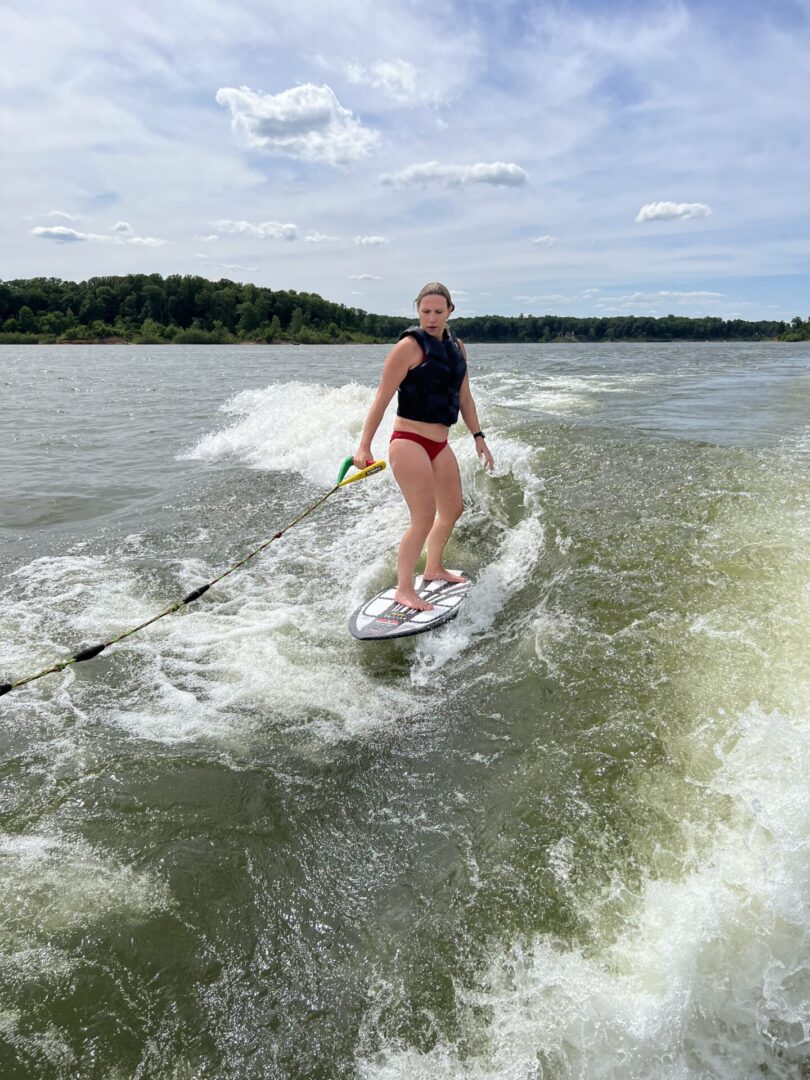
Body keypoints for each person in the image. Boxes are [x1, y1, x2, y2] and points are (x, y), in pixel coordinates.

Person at [353, 282, 494, 611]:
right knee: (423, 516)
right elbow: (381, 399)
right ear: (417, 311)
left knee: (453, 509)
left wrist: (478, 437)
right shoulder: (407, 347)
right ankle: (404, 588)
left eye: (438, 311)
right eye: (425, 311)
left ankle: (433, 567)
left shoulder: (458, 347)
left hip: (439, 443)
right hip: (409, 441)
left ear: (450, 311)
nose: (431, 318)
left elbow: (464, 398)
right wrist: (364, 446)